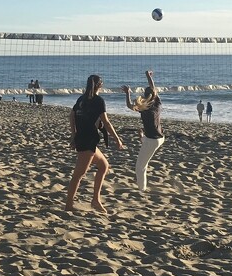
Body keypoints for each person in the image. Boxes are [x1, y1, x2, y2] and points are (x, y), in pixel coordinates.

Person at [66, 74, 123, 214]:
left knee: (103, 165)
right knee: (78, 174)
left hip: (84, 140)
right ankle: (68, 205)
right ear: (100, 85)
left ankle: (95, 200)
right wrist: (117, 139)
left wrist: (74, 135)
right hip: (87, 141)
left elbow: (72, 116)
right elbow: (107, 122)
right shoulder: (98, 101)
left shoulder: (81, 99)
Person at [122, 70, 165, 191]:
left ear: (145, 96)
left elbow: (129, 105)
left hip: (153, 140)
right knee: (145, 142)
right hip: (160, 137)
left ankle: (142, 190)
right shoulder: (157, 104)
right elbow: (153, 88)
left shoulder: (143, 108)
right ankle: (143, 137)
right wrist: (148, 76)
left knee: (140, 167)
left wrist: (127, 93)